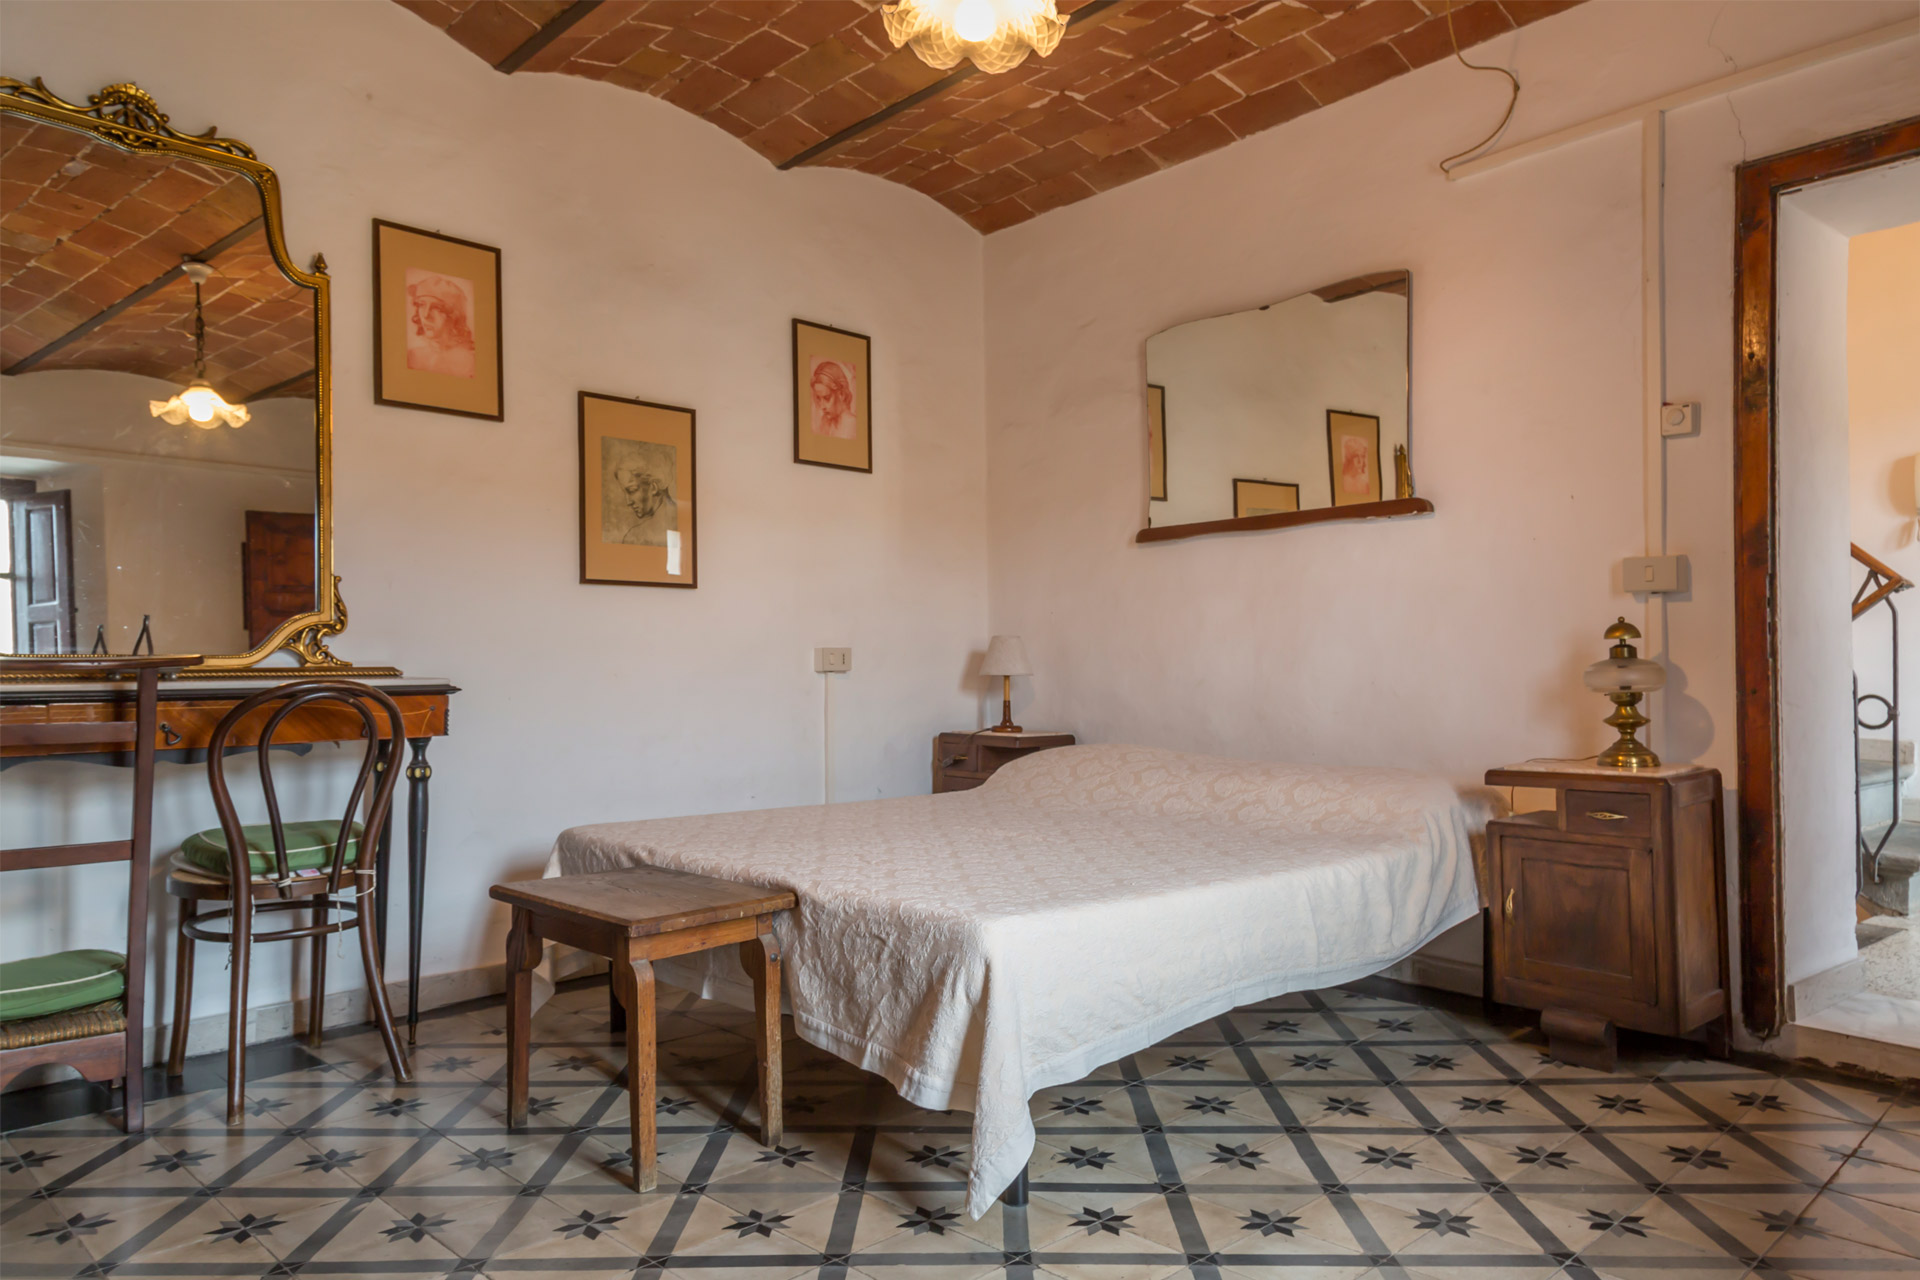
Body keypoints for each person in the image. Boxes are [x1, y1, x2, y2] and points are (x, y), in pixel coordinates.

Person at [405, 271, 476, 377]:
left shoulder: (470, 362)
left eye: (436, 307)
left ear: (453, 315)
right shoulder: (413, 356)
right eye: (421, 305)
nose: (425, 315)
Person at [809, 357, 856, 439]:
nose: (822, 406)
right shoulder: (825, 422)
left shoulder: (852, 423)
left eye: (827, 398)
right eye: (818, 399)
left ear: (841, 394)